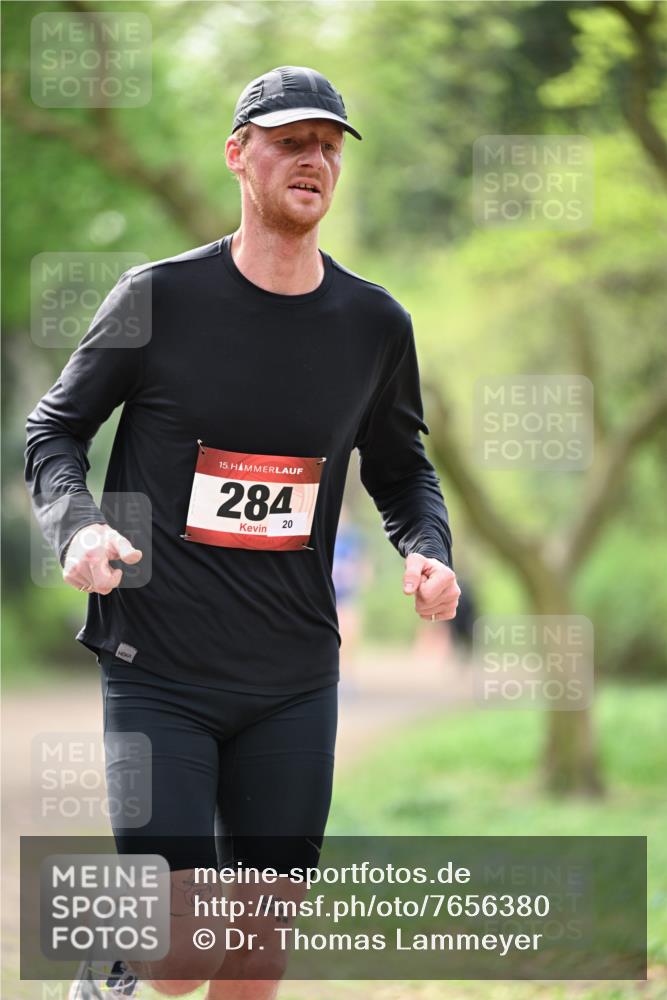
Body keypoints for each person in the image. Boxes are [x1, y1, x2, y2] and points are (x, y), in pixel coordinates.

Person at [25, 65, 459, 999]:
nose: (315, 161)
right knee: (182, 957)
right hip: (161, 666)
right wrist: (78, 529)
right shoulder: (160, 298)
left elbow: (401, 467)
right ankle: (112, 969)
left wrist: (426, 549)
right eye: (291, 142)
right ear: (237, 156)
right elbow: (53, 429)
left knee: (256, 954)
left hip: (294, 677)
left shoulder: (374, 323)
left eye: (330, 148)